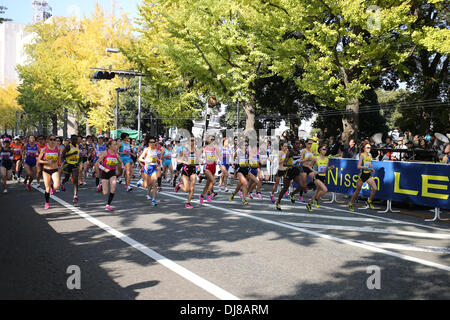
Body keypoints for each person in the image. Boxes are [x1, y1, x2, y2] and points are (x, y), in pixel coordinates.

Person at [275, 139, 305, 211]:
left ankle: (292, 194)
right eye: (297, 144)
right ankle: (278, 201)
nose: (298, 145)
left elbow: (298, 161)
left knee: (301, 185)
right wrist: (292, 164)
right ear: (293, 144)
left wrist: (299, 165)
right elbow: (285, 163)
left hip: (296, 171)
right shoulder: (289, 152)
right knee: (285, 188)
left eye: (299, 144)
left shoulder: (298, 152)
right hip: (288, 171)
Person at [348, 143, 378, 212]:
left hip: (368, 174)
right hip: (362, 175)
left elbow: (369, 165)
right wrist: (366, 167)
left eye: (370, 148)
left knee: (375, 188)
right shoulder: (362, 155)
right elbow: (358, 166)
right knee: (357, 191)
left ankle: (369, 201)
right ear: (364, 148)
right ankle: (350, 203)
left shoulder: (370, 155)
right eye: (367, 148)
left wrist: (371, 168)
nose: (369, 149)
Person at [306, 144, 335, 212]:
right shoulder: (316, 158)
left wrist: (330, 168)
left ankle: (309, 204)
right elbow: (309, 166)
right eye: (324, 149)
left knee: (318, 192)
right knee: (325, 190)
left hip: (323, 176)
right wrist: (314, 171)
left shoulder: (327, 159)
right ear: (320, 150)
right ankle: (316, 199)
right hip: (317, 177)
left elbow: (326, 168)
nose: (325, 151)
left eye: (326, 150)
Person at [97, 139, 124, 211]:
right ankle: (101, 184)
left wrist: (122, 165)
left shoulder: (116, 154)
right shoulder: (105, 153)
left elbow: (121, 162)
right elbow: (97, 163)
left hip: (112, 172)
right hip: (105, 173)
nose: (116, 146)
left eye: (116, 144)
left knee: (113, 187)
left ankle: (108, 204)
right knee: (105, 192)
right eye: (114, 144)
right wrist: (104, 169)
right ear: (109, 146)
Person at [174, 136, 200, 209]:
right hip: (186, 170)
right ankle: (179, 185)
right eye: (191, 140)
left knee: (192, 188)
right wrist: (184, 161)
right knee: (186, 189)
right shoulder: (185, 150)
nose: (193, 142)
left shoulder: (196, 150)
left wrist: (198, 165)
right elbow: (178, 159)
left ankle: (188, 203)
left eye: (194, 141)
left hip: (193, 170)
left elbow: (198, 160)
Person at [38, 134, 61, 209]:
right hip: (46, 170)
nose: (53, 141)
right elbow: (39, 160)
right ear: (48, 140)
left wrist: (60, 165)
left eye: (54, 140)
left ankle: (52, 186)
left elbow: (59, 158)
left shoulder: (58, 148)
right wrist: (47, 162)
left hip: (55, 169)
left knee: (57, 186)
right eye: (51, 139)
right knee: (47, 188)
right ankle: (47, 202)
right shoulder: (44, 149)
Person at [138, 136, 161, 206]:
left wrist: (157, 161)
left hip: (154, 168)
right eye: (151, 142)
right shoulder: (146, 150)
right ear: (148, 143)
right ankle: (141, 181)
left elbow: (157, 157)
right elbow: (140, 159)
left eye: (154, 142)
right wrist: (146, 160)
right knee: (146, 185)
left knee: (154, 184)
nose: (152, 143)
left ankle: (153, 200)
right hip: (147, 168)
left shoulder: (156, 150)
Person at [229, 139, 251, 206]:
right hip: (239, 169)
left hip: (245, 169)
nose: (246, 146)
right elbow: (234, 158)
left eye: (247, 145)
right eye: (245, 145)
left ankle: (233, 194)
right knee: (245, 183)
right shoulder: (238, 151)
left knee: (239, 185)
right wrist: (234, 169)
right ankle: (244, 199)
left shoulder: (247, 152)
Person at [61, 135, 81, 203]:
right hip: (68, 164)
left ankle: (75, 196)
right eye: (74, 140)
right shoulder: (68, 146)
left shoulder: (78, 146)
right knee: (67, 178)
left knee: (75, 180)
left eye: (76, 139)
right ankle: (63, 182)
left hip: (75, 164)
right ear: (71, 140)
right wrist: (72, 154)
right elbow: (63, 155)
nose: (75, 141)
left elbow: (78, 155)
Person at [200, 136, 219, 204]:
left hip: (213, 166)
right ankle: (208, 194)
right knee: (213, 181)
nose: (213, 141)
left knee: (208, 183)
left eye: (214, 139)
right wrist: (202, 161)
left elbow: (217, 156)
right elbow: (201, 157)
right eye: (211, 139)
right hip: (207, 167)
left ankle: (202, 195)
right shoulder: (205, 148)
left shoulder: (215, 148)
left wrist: (217, 160)